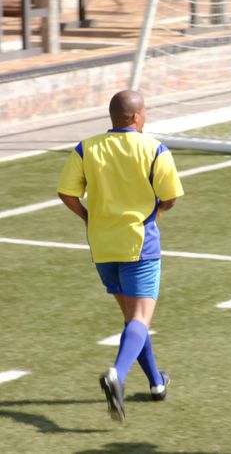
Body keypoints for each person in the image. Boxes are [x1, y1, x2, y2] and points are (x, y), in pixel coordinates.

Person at [57, 90, 184, 423]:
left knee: (133, 321)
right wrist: (152, 213)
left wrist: (88, 217)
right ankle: (117, 374)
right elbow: (170, 198)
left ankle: (157, 383)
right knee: (141, 319)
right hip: (139, 243)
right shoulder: (154, 148)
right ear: (136, 117)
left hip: (102, 246)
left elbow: (66, 193)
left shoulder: (86, 148)